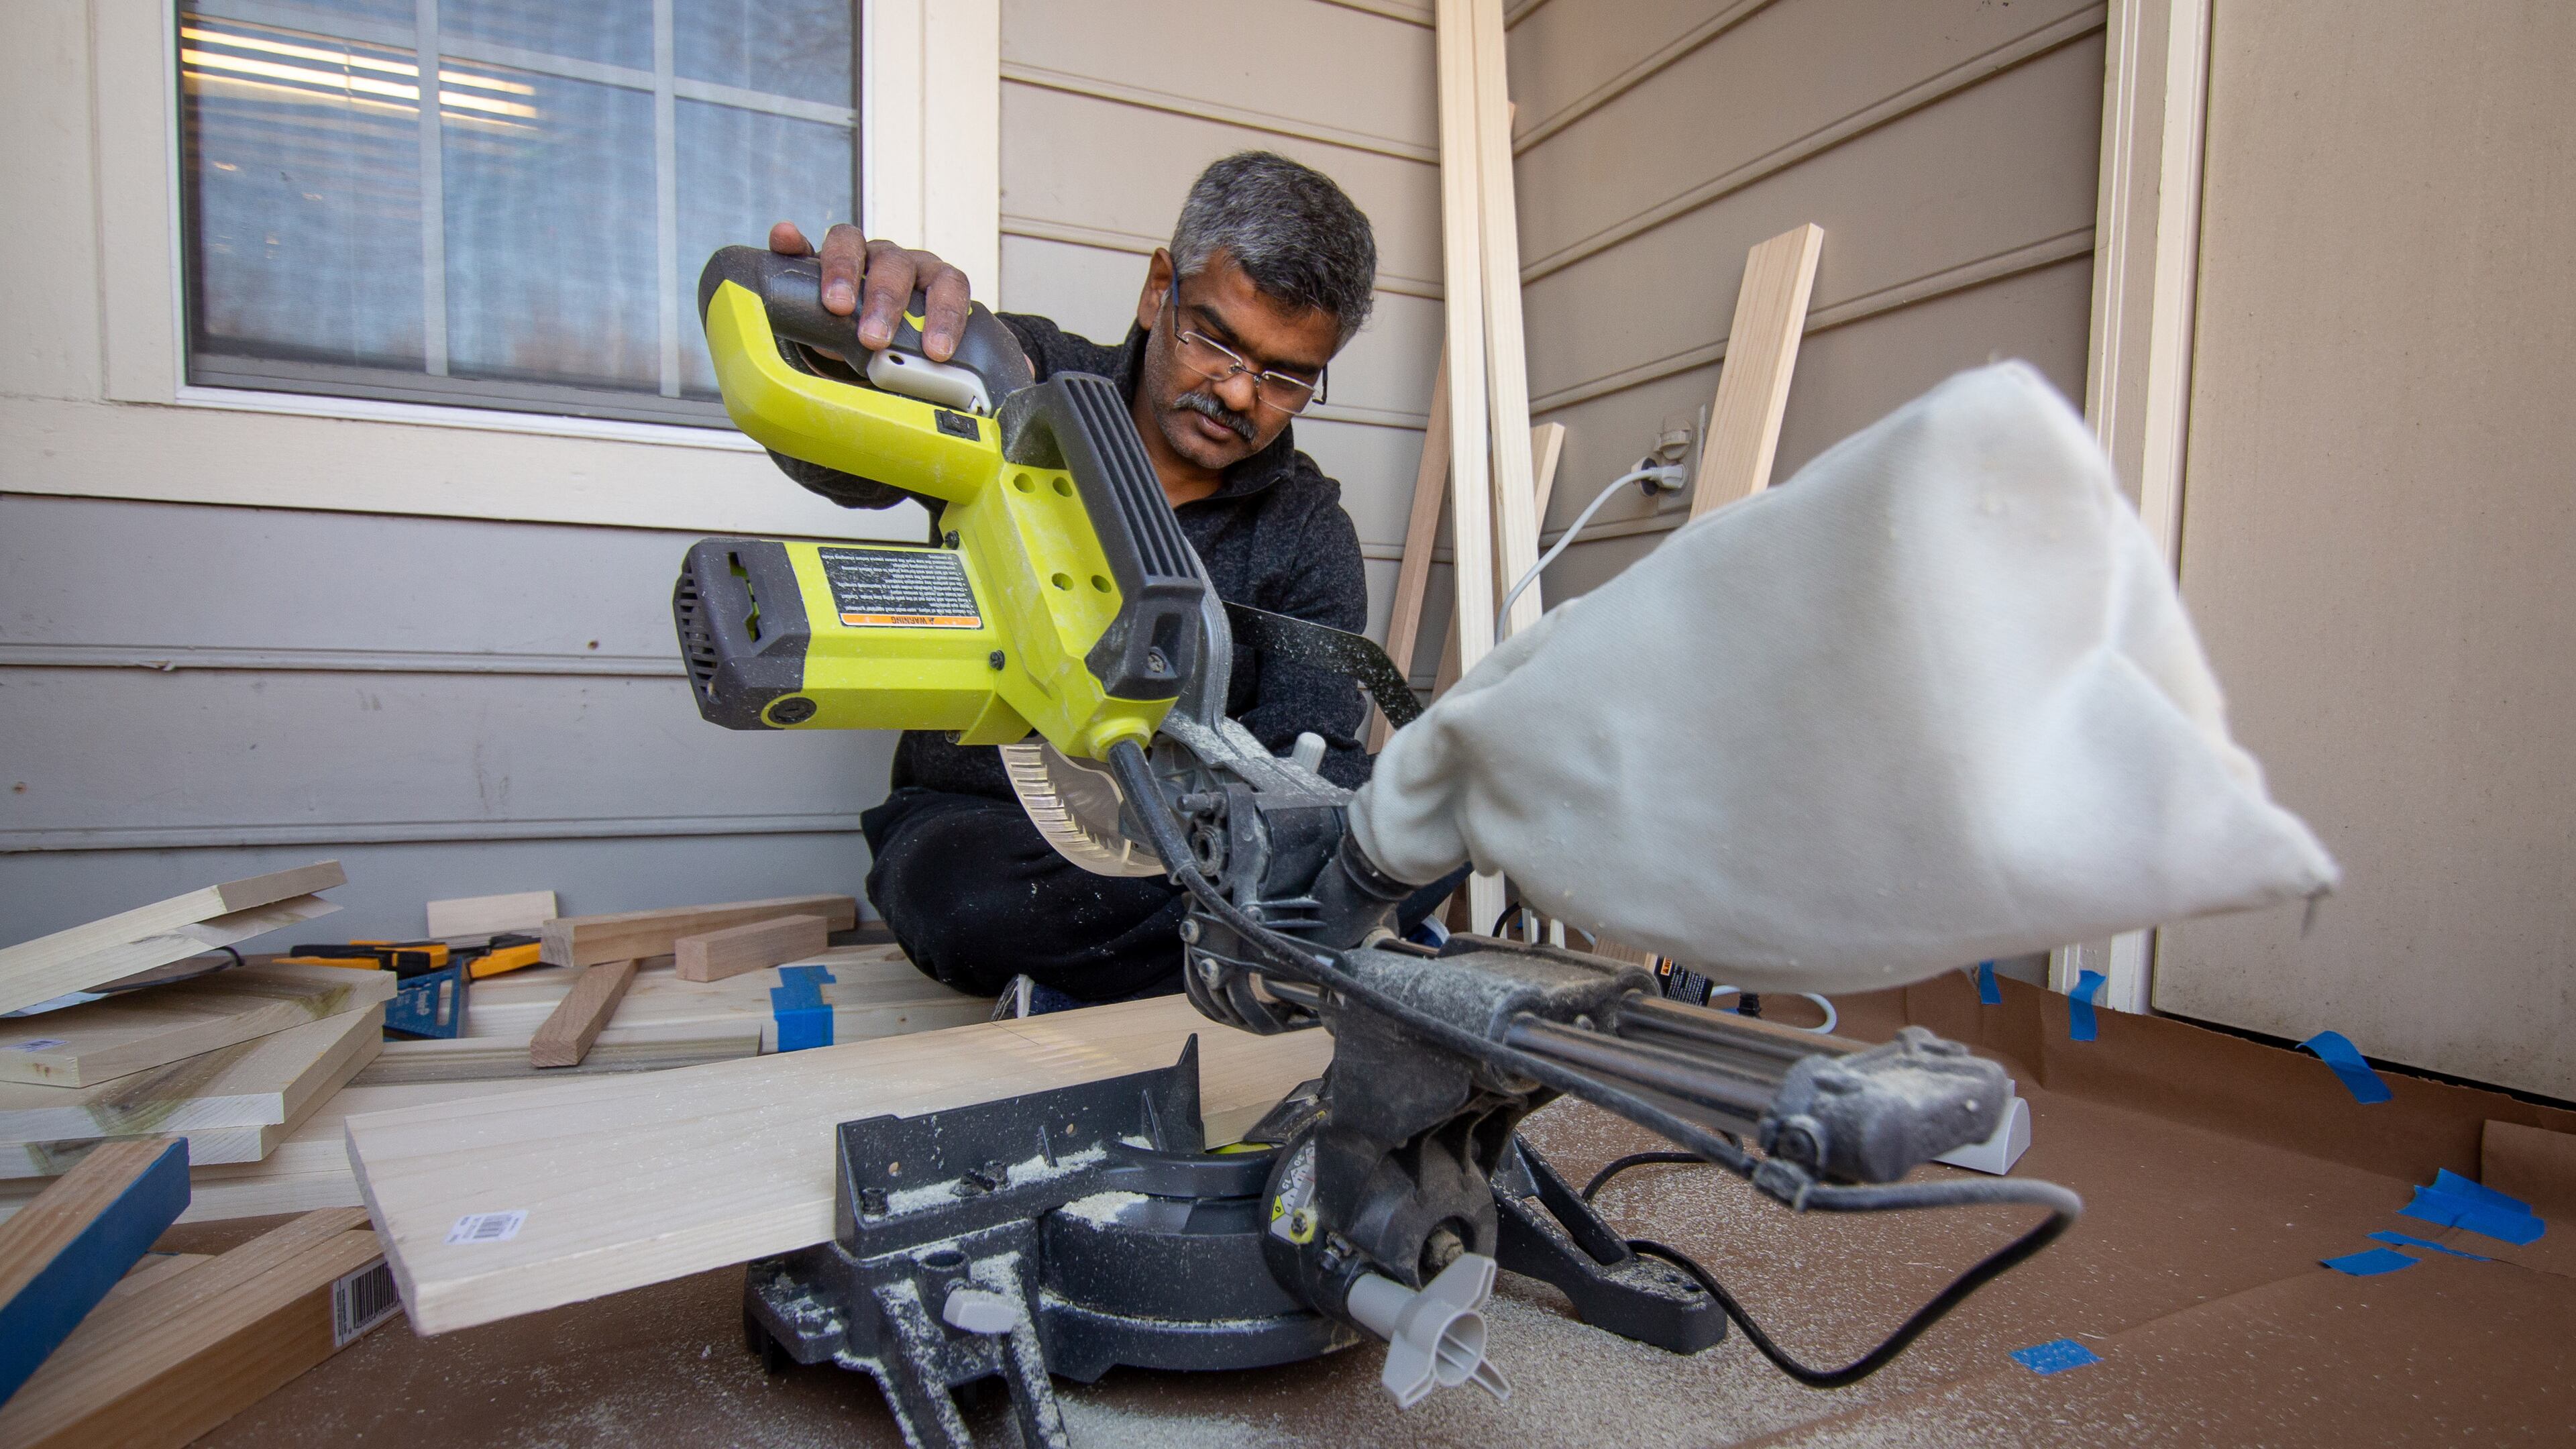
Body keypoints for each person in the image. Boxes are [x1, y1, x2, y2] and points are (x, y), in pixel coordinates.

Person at [767, 151, 1418, 1007]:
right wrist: (839, 353)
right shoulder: (1019, 379)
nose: (1236, 392)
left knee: (1402, 825)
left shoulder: (1309, 533)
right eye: (1216, 339)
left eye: (1286, 376)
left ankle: (1160, 970)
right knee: (955, 899)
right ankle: (1258, 960)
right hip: (986, 826)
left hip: (1196, 847)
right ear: (1160, 289)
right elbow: (847, 467)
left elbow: (1314, 770)